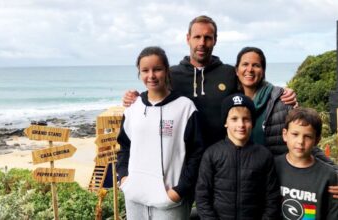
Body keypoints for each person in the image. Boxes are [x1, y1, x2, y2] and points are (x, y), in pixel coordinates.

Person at [123, 15, 296, 146]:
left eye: (208, 37)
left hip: (223, 156)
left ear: (215, 40)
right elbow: (155, 93)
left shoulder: (228, 72)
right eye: (197, 37)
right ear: (188, 39)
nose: (202, 43)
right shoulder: (172, 74)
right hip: (182, 157)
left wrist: (281, 93)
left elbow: (253, 83)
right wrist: (136, 97)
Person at [116, 46, 205, 219]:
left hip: (169, 200)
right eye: (145, 70)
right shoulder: (133, 108)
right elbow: (124, 147)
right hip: (134, 197)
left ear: (166, 71)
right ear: (139, 73)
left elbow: (197, 153)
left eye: (157, 69)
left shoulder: (184, 107)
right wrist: (124, 179)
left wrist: (180, 190)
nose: (151, 76)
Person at [195, 93, 280, 219]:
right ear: (225, 122)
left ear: (252, 122)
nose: (241, 125)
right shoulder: (212, 154)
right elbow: (202, 196)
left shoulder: (264, 155)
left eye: (246, 119)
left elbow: (272, 198)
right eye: (234, 119)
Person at [275, 108, 338, 219]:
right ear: (285, 135)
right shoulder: (273, 167)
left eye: (308, 136)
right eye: (295, 134)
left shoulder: (328, 175)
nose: (300, 141)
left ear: (317, 140)